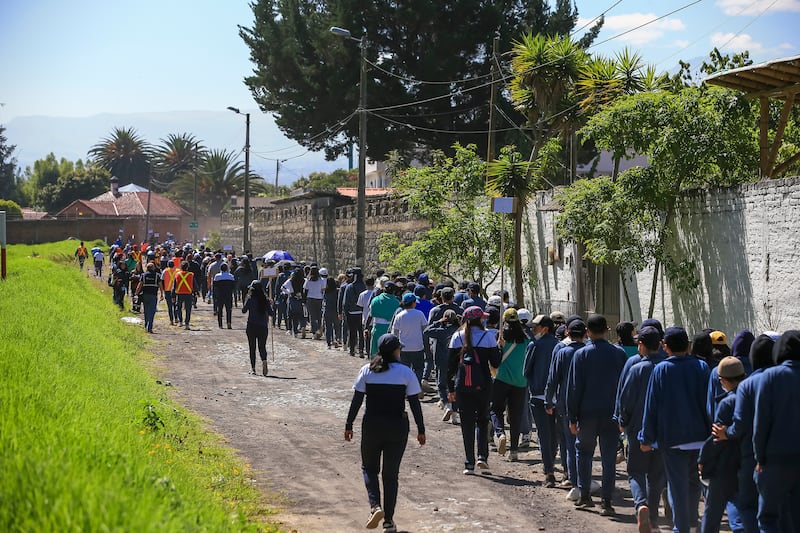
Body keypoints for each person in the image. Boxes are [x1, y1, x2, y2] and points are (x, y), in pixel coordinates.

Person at [345, 333, 426, 533]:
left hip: (372, 425)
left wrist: (348, 424)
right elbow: (414, 403)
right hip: (397, 427)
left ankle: (375, 506)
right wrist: (421, 430)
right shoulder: (406, 373)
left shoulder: (367, 370)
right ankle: (388, 521)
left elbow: (357, 400)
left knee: (369, 469)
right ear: (395, 351)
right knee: (391, 475)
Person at [639, 326, 710, 533]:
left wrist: (646, 437)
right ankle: (692, 521)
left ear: (665, 346)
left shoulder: (661, 369)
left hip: (673, 438)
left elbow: (651, 406)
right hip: (699, 437)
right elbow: (709, 402)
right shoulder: (702, 367)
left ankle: (681, 527)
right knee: (694, 482)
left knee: (676, 484)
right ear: (688, 346)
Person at [711, 334, 776, 533]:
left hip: (750, 454)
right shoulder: (778, 378)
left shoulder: (746, 386)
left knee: (746, 504)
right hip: (781, 453)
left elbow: (739, 424)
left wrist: (726, 434)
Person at [566, 314, 627, 515]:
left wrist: (572, 417)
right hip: (611, 414)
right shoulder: (618, 354)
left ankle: (585, 496)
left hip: (587, 414)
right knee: (609, 457)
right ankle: (607, 502)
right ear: (607, 330)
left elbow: (574, 388)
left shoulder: (581, 355)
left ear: (587, 332)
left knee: (584, 453)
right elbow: (624, 387)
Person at [616, 326, 667, 532]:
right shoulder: (666, 367)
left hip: (638, 427)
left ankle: (641, 504)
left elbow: (625, 400)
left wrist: (622, 420)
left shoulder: (636, 368)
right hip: (663, 429)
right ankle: (653, 519)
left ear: (643, 345)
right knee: (656, 476)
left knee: (636, 471)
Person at [752, 330, 800, 533]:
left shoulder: (771, 376)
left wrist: (759, 457)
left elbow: (761, 422)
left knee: (768, 517)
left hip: (776, 458)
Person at [447, 306, 501, 475]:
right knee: (483, 421)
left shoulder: (456, 337)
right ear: (480, 319)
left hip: (462, 386)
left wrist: (450, 389)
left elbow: (450, 367)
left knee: (467, 424)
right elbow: (496, 363)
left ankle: (469, 463)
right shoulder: (489, 337)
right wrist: (500, 348)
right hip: (484, 386)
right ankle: (482, 457)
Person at [699, 356, 746, 533]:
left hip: (724, 463)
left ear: (722, 380)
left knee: (714, 510)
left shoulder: (727, 402)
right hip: (747, 459)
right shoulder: (753, 395)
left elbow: (715, 438)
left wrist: (703, 458)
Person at [545, 319, 586, 500]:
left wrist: (548, 400)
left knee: (569, 443)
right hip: (587, 403)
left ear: (567, 331)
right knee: (585, 444)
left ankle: (571, 477)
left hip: (565, 402)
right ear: (585, 333)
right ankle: (583, 478)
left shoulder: (562, 351)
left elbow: (552, 379)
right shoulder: (588, 352)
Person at [524, 314, 563, 487]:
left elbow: (526, 371)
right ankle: (552, 462)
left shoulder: (535, 345)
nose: (533, 330)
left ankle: (549, 471)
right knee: (554, 433)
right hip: (557, 397)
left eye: (536, 327)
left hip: (538, 395)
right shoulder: (560, 346)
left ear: (545, 328)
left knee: (543, 433)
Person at [491, 308, 531, 462]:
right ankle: (514, 451)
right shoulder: (527, 340)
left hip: (501, 379)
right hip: (520, 382)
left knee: (496, 409)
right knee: (515, 416)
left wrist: (499, 345)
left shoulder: (500, 337)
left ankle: (500, 433)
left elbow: (494, 358)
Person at [423, 309, 461, 422]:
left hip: (441, 361)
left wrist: (438, 322)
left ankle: (446, 405)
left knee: (441, 385)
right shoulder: (458, 331)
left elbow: (426, 331)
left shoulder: (440, 331)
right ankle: (454, 412)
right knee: (453, 387)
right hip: (455, 362)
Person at [390, 292, 429, 378]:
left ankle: (405, 387)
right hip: (418, 347)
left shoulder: (399, 315)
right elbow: (426, 329)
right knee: (418, 368)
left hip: (403, 347)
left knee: (404, 369)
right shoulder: (419, 314)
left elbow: (394, 332)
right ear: (413, 303)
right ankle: (416, 386)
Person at [242, 281, 274, 376]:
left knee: (252, 347)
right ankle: (264, 361)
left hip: (251, 325)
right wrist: (271, 304)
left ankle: (253, 369)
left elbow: (244, 311)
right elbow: (271, 313)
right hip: (263, 326)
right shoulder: (266, 300)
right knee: (262, 346)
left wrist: (246, 300)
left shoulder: (250, 299)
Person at [369, 282, 400, 356]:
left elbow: (371, 314)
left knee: (375, 352)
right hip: (391, 330)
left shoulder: (375, 300)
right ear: (394, 291)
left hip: (377, 328)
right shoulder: (397, 302)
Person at [342, 268, 367, 357]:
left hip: (351, 313)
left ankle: (352, 350)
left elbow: (345, 302)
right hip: (361, 313)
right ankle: (361, 350)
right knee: (361, 332)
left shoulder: (349, 287)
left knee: (352, 332)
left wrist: (345, 312)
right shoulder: (364, 286)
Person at [136, 262, 161, 333]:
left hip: (145, 295)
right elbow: (160, 285)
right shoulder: (157, 275)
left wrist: (136, 293)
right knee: (152, 311)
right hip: (153, 295)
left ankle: (146, 324)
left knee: (146, 311)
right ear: (153, 268)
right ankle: (150, 327)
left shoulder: (143, 275)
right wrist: (162, 294)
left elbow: (140, 285)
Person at [304, 266, 327, 340]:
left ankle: (314, 331)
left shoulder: (308, 280)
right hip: (319, 299)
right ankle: (319, 330)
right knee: (319, 315)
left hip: (310, 299)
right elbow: (323, 289)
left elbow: (305, 290)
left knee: (312, 315)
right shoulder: (321, 281)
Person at [213, 263, 236, 329]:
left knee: (219, 310)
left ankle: (220, 325)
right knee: (229, 310)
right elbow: (233, 287)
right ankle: (229, 323)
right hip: (228, 295)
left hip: (220, 295)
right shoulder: (231, 276)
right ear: (227, 269)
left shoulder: (217, 276)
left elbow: (215, 286)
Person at [323, 275, 342, 349]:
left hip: (327, 310)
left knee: (328, 327)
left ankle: (329, 342)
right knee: (337, 326)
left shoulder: (326, 291)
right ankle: (336, 339)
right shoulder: (337, 291)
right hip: (335, 310)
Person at [174, 261, 195, 330]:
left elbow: (174, 285)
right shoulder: (191, 274)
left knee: (178, 308)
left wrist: (173, 294)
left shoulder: (177, 274)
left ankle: (180, 321)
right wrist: (196, 292)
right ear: (187, 267)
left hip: (179, 293)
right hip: (188, 293)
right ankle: (187, 323)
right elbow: (194, 284)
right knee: (188, 309)